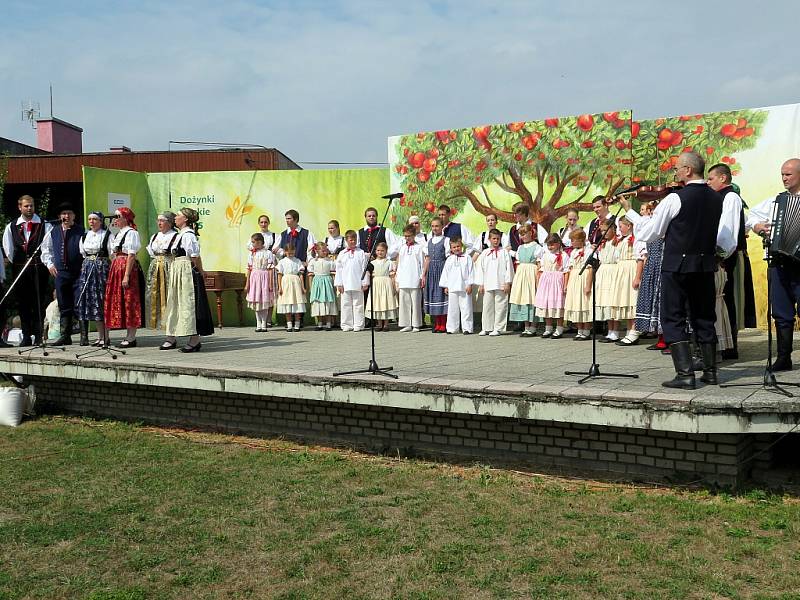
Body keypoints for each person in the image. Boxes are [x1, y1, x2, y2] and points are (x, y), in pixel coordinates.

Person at [622, 151, 734, 388]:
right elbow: (724, 239)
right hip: (704, 266)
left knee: (673, 317)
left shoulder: (676, 199)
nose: (674, 173)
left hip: (677, 266)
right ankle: (711, 372)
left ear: (688, 170)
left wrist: (633, 217)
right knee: (704, 317)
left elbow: (650, 232)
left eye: (676, 169)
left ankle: (685, 375)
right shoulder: (717, 198)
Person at [745, 158, 800, 371]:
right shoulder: (776, 201)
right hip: (779, 263)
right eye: (783, 174)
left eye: (788, 174)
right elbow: (751, 219)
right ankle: (783, 358)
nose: (784, 178)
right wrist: (759, 227)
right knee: (781, 312)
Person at [708, 163, 757, 360]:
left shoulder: (730, 197)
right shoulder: (718, 198)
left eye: (711, 178)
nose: (708, 182)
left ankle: (730, 346)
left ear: (723, 178)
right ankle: (724, 342)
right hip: (722, 255)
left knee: (730, 300)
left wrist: (720, 254)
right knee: (722, 300)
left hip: (729, 256)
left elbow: (727, 229)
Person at [161, 207, 214, 352]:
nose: (175, 218)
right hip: (179, 269)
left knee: (188, 304)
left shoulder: (188, 235)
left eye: (178, 216)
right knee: (176, 302)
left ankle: (194, 340)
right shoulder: (180, 235)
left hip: (186, 271)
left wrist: (200, 271)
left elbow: (195, 256)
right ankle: (171, 337)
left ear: (185, 219)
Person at [2, 194, 52, 346]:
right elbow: (8, 250)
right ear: (20, 207)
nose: (29, 208)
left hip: (38, 268)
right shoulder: (11, 226)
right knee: (23, 303)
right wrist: (18, 262)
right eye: (26, 206)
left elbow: (47, 248)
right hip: (20, 269)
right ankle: (25, 336)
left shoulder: (45, 224)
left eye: (31, 205)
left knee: (38, 302)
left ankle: (38, 336)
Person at [41, 202, 85, 345]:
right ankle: (65, 336)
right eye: (64, 214)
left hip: (78, 272)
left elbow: (87, 250)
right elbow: (45, 249)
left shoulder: (81, 231)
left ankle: (84, 336)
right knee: (63, 303)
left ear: (74, 216)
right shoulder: (53, 231)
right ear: (60, 216)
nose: (66, 216)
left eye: (69, 213)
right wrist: (50, 264)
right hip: (61, 273)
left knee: (80, 302)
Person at [104, 207, 145, 348]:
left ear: (125, 218)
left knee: (129, 299)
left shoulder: (131, 233)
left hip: (126, 268)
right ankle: (125, 334)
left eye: (118, 216)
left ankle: (131, 336)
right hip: (117, 267)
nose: (115, 219)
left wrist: (126, 275)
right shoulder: (120, 233)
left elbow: (131, 254)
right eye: (115, 217)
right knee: (119, 299)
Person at [76, 211, 114, 346]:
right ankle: (100, 336)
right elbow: (83, 253)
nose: (91, 221)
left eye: (95, 219)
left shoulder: (107, 235)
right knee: (92, 302)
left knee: (102, 299)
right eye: (89, 219)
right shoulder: (85, 235)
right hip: (88, 268)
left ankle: (106, 336)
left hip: (101, 268)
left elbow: (112, 254)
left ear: (101, 221)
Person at [632, 202, 666, 351]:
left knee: (662, 301)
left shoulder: (664, 225)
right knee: (652, 301)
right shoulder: (651, 224)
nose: (652, 214)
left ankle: (668, 339)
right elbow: (641, 226)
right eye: (651, 211)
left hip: (663, 264)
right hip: (652, 264)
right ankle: (660, 338)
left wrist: (628, 209)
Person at [610, 217, 646, 345]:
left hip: (630, 269)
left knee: (632, 299)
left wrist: (637, 277)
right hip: (622, 271)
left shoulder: (635, 239)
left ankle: (634, 331)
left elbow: (640, 259)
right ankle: (629, 330)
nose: (619, 229)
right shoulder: (622, 240)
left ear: (629, 226)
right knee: (625, 299)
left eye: (621, 226)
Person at [475, 229, 514, 336]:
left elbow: (509, 268)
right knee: (487, 306)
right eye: (494, 238)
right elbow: (480, 269)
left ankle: (498, 328)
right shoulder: (485, 253)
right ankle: (486, 327)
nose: (496, 241)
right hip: (488, 284)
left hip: (501, 284)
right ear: (489, 239)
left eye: (497, 239)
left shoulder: (504, 252)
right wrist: (481, 284)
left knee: (500, 306)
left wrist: (507, 282)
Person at [145, 211, 178, 330]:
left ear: (169, 223)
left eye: (162, 220)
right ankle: (157, 322)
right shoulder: (154, 236)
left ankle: (170, 325)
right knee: (154, 294)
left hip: (169, 266)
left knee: (168, 294)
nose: (159, 223)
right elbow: (152, 252)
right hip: (155, 267)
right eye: (158, 220)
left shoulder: (175, 236)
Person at [508, 225, 542, 336]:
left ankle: (533, 327)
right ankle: (526, 326)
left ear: (531, 233)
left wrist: (538, 277)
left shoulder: (537, 247)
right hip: (521, 274)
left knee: (531, 298)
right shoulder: (520, 248)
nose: (523, 236)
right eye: (521, 234)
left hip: (531, 273)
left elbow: (539, 264)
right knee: (523, 298)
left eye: (525, 233)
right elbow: (518, 262)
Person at [535, 233, 569, 338]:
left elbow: (566, 271)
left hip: (557, 281)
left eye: (552, 244)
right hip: (546, 282)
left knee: (558, 306)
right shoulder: (545, 255)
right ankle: (548, 328)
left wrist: (565, 285)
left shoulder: (564, 255)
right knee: (547, 305)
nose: (550, 247)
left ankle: (559, 329)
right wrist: (538, 283)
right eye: (548, 245)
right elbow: (541, 270)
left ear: (558, 244)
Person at [335, 231, 369, 332]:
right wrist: (339, 283)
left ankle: (358, 324)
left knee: (358, 304)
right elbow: (339, 269)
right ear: (346, 240)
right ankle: (346, 324)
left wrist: (365, 282)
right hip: (345, 283)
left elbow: (364, 268)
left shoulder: (361, 252)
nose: (353, 242)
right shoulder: (342, 253)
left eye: (354, 240)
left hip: (357, 282)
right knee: (345, 304)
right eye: (350, 240)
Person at [439, 237, 474, 334]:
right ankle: (452, 328)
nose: (456, 249)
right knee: (452, 309)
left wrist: (470, 284)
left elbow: (471, 271)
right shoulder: (449, 259)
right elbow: (446, 273)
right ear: (451, 248)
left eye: (458, 246)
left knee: (466, 308)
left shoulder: (467, 258)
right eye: (454, 247)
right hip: (452, 287)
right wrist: (445, 286)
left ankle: (467, 328)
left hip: (464, 287)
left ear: (461, 246)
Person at [563, 229, 593, 340]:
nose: (572, 242)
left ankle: (586, 330)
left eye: (574, 240)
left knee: (584, 303)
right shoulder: (574, 252)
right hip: (575, 278)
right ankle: (579, 330)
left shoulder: (589, 251)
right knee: (576, 303)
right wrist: (568, 284)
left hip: (583, 276)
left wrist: (588, 285)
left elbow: (590, 269)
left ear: (581, 240)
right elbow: (570, 268)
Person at [422, 217, 450, 333]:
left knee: (442, 295)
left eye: (437, 226)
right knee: (433, 295)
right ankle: (437, 323)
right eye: (433, 226)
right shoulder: (429, 241)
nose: (434, 228)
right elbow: (427, 259)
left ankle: (443, 324)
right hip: (432, 271)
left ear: (442, 226)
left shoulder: (446, 240)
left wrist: (447, 273)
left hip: (442, 269)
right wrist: (424, 274)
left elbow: (448, 257)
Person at [395, 224, 425, 332]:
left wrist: (422, 277)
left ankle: (416, 324)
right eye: (405, 236)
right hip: (404, 279)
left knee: (416, 303)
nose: (407, 238)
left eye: (409, 236)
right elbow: (400, 264)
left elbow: (422, 263)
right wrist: (397, 279)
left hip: (415, 278)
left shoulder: (419, 247)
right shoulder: (402, 248)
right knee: (404, 302)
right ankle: (406, 323)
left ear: (414, 235)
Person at [245, 233, 277, 332]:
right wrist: (247, 284)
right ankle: (258, 323)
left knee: (264, 301)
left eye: (254, 242)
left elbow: (271, 269)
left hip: (264, 277)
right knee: (257, 301)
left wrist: (271, 283)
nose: (253, 244)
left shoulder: (268, 253)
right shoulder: (252, 253)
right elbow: (249, 269)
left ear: (260, 242)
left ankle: (264, 323)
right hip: (255, 279)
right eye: (252, 242)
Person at [593, 222, 620, 342]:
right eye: (602, 231)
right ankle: (610, 330)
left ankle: (616, 331)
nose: (603, 233)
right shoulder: (602, 244)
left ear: (613, 229)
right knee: (605, 302)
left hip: (612, 272)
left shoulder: (617, 243)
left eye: (606, 230)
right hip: (603, 273)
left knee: (612, 302)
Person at [365, 242, 398, 331]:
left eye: (382, 251)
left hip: (386, 284)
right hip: (376, 284)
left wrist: (394, 286)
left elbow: (392, 276)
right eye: (378, 250)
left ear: (386, 251)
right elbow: (369, 275)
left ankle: (386, 324)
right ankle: (379, 324)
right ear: (375, 251)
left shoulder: (389, 262)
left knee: (386, 302)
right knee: (377, 303)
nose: (380, 252)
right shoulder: (372, 263)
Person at [276, 242, 307, 332]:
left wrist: (303, 287)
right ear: (285, 252)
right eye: (289, 252)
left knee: (297, 303)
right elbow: (279, 275)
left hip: (296, 282)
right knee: (287, 303)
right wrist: (280, 287)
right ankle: (289, 324)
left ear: (295, 251)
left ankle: (297, 324)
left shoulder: (297, 261)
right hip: (285, 282)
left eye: (292, 252)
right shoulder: (282, 262)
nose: (291, 254)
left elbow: (301, 275)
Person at [307, 242, 337, 331]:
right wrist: (311, 286)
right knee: (318, 302)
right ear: (317, 251)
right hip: (317, 283)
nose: (325, 252)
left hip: (327, 282)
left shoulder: (330, 261)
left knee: (327, 302)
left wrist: (334, 285)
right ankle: (319, 323)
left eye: (325, 250)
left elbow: (333, 274)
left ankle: (328, 324)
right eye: (322, 251)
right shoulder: (313, 262)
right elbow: (310, 275)